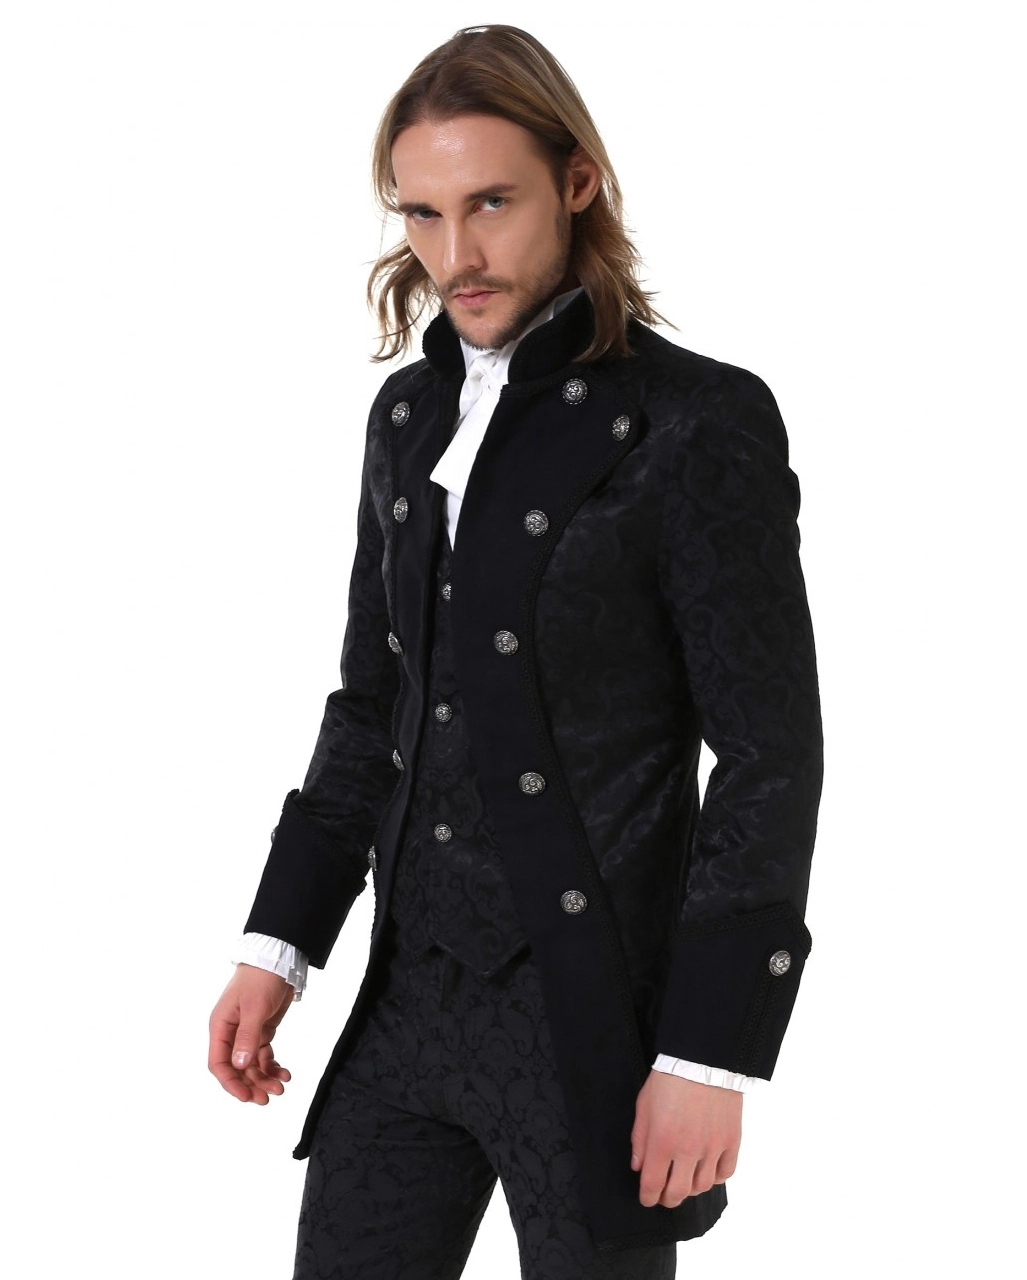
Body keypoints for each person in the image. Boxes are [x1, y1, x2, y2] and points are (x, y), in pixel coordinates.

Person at [208, 23, 823, 1280]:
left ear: (577, 181)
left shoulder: (698, 421)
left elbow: (768, 756)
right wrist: (279, 944)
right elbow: (373, 702)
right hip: (406, 1003)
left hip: (593, 1017)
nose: (456, 256)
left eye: (490, 202)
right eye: (422, 213)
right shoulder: (407, 415)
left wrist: (711, 1051)